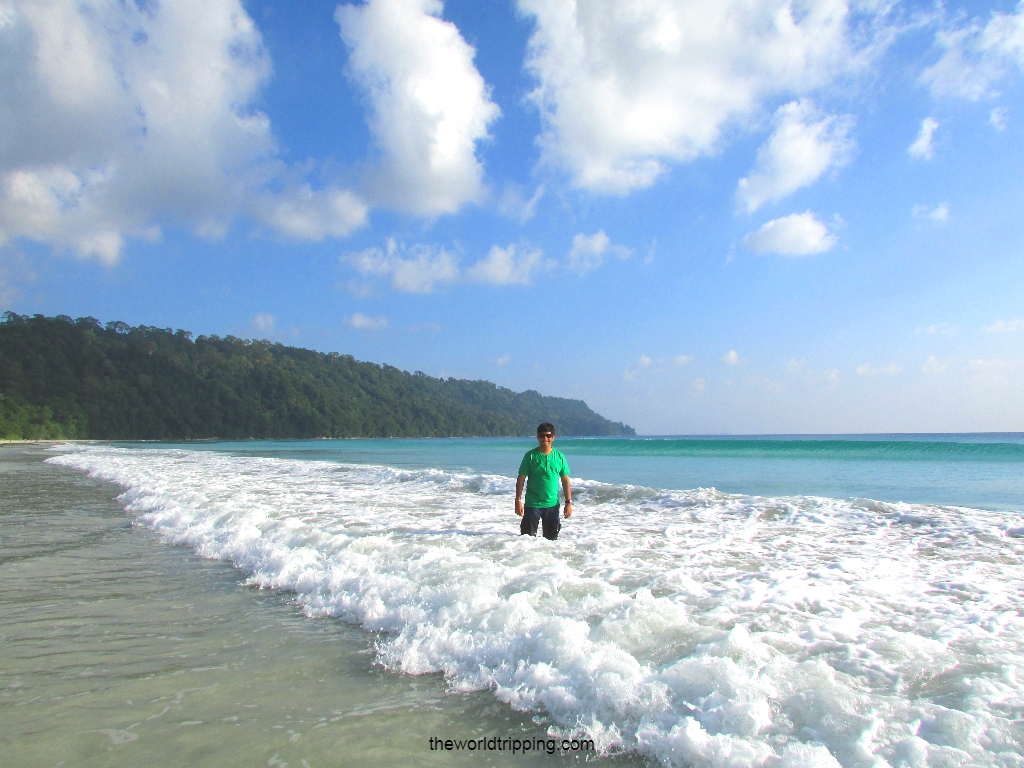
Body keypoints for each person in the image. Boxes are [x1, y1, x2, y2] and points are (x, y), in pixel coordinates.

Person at [515, 422, 572, 540]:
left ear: (553, 438)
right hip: (532, 504)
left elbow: (565, 480)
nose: (545, 438)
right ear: (538, 437)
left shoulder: (559, 457)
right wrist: (518, 500)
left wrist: (568, 503)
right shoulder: (530, 456)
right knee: (527, 540)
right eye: (542, 436)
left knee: (551, 541)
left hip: (552, 505)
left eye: (548, 436)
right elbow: (521, 479)